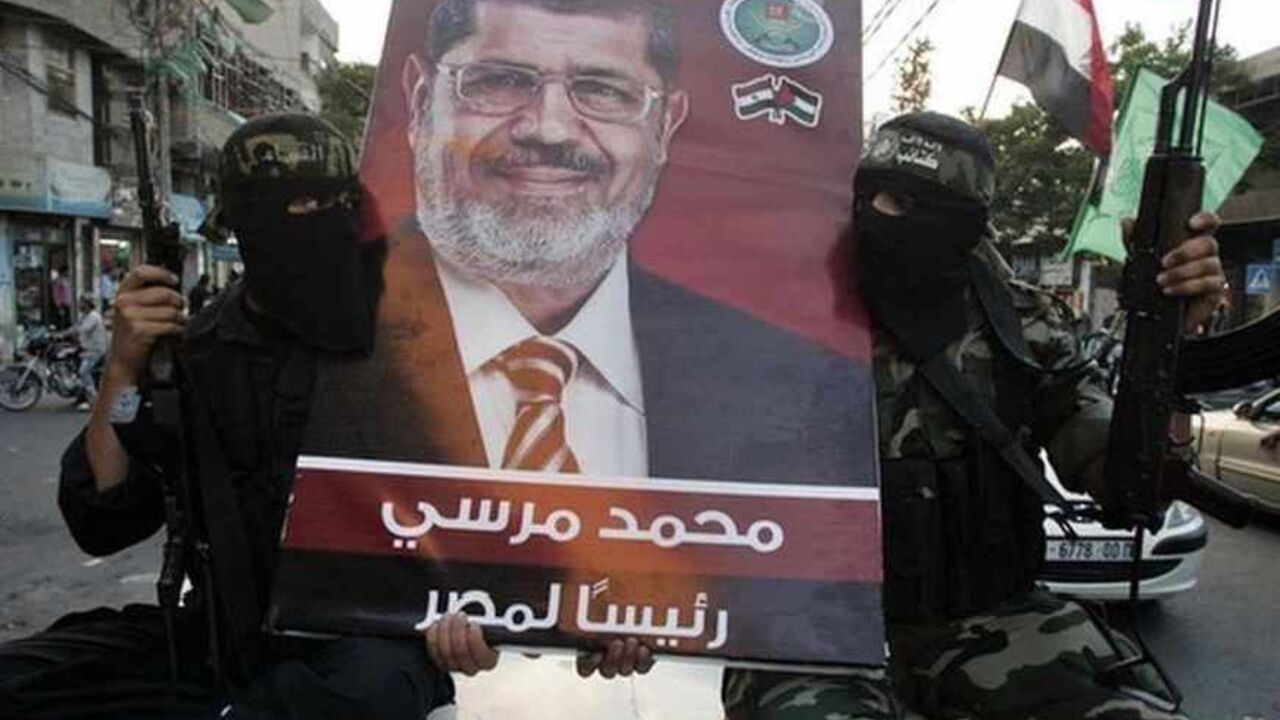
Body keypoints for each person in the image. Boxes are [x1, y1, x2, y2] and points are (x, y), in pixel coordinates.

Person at [721, 112, 1228, 720]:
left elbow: (1127, 484)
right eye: (870, 194)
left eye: (905, 203)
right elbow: (669, 469)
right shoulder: (778, 314)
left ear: (965, 225)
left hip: (995, 620)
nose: (876, 214)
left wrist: (1169, 340)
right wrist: (636, 606)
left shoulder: (1025, 325)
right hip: (812, 630)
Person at [0, 114, 452, 719]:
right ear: (242, 226)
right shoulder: (201, 351)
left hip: (368, 635)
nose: (316, 221)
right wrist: (123, 367)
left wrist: (470, 612)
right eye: (293, 207)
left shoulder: (407, 347)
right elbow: (102, 521)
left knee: (366, 692)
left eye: (333, 203)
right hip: (222, 633)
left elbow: (489, 518)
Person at [71, 294, 107, 410]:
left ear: (88, 304)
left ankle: (94, 400)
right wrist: (60, 334)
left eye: (82, 302)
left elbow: (83, 329)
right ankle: (81, 397)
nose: (79, 305)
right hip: (86, 349)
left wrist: (69, 333)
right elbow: (75, 327)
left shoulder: (93, 316)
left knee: (84, 372)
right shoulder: (84, 316)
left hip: (95, 350)